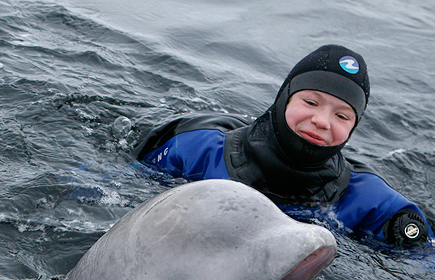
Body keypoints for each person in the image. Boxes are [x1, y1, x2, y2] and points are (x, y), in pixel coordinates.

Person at [133, 44, 432, 248]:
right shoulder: (197, 150)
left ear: (353, 127)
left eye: (342, 115)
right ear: (283, 99)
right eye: (311, 102)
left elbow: (419, 271)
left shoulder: (371, 203)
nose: (322, 121)